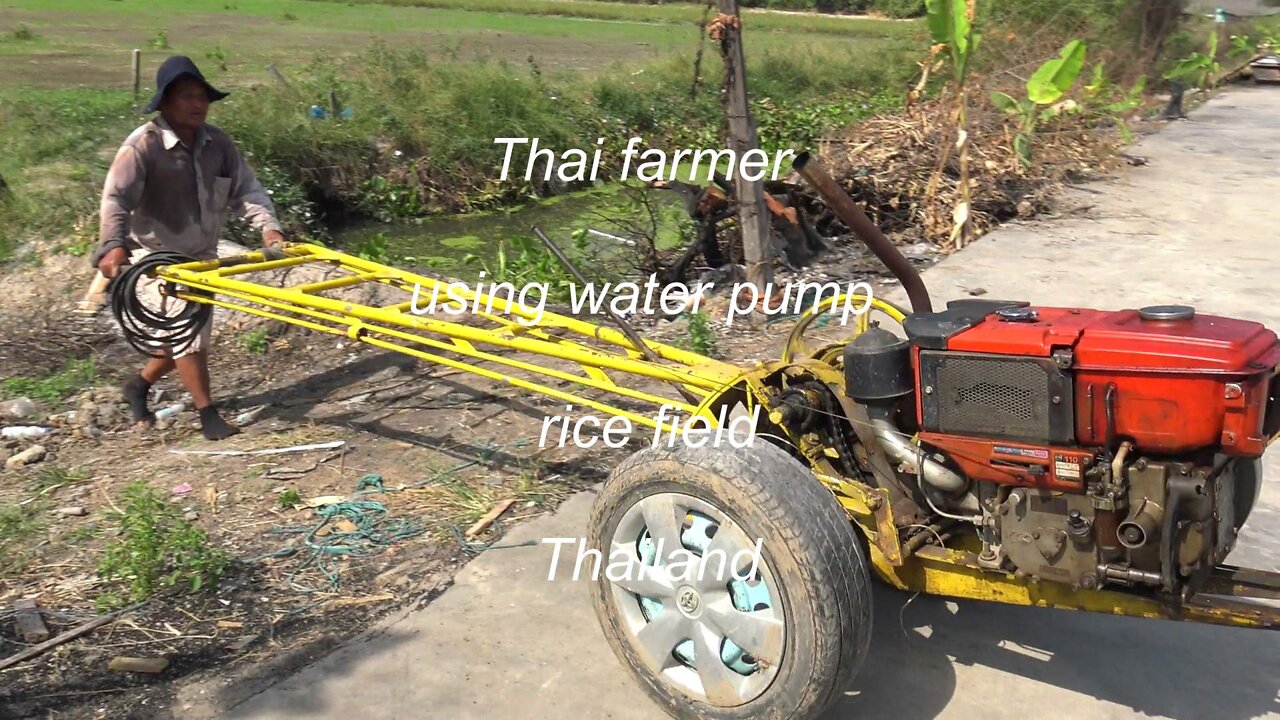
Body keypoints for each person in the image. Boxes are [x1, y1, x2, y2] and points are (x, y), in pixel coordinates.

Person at [90, 55, 286, 440]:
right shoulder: (142, 146)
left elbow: (247, 190)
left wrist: (270, 231)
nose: (197, 104)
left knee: (179, 336)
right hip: (155, 259)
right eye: (186, 96)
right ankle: (207, 414)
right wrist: (113, 245)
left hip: (201, 257)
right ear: (165, 102)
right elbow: (115, 199)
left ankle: (139, 385)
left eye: (202, 96)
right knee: (187, 335)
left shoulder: (218, 144)